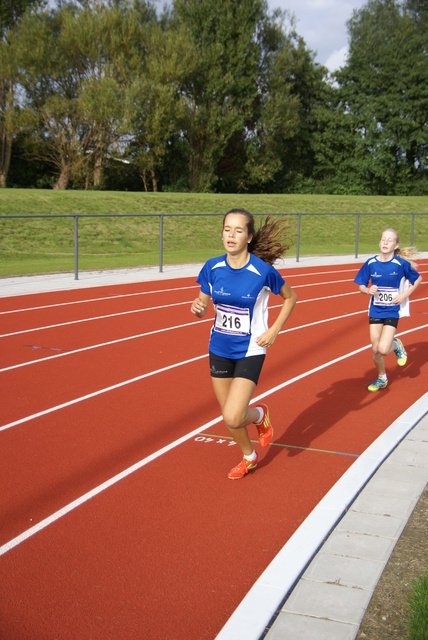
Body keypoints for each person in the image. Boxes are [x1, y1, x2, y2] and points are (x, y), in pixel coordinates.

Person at [190, 208, 297, 479]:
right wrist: (199, 308)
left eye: (238, 231)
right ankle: (249, 456)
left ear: (249, 237)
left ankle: (259, 414)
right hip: (219, 348)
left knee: (235, 416)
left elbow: (291, 297)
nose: (231, 235)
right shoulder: (212, 267)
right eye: (227, 229)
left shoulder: (262, 271)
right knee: (229, 417)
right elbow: (203, 302)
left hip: (250, 349)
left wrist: (275, 329)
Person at [354, 227, 422, 392]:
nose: (385, 242)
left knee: (384, 349)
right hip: (375, 310)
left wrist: (405, 294)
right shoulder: (371, 263)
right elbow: (361, 285)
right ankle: (382, 378)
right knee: (375, 348)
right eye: (383, 239)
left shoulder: (401, 264)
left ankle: (396, 345)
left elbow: (418, 278)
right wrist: (367, 290)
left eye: (390, 240)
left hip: (392, 310)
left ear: (396, 245)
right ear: (379, 242)